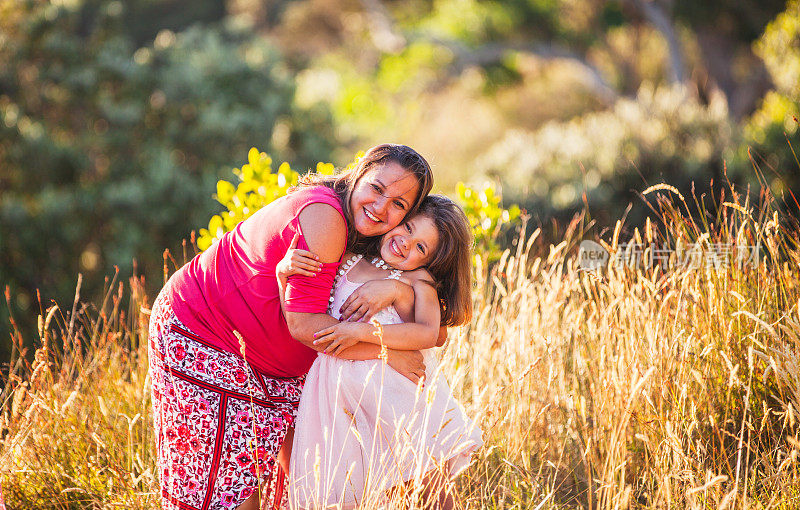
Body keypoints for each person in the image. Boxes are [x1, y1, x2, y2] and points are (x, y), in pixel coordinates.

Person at [147, 144, 434, 510]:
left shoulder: (386, 241)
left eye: (399, 204)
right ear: (359, 173)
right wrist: (385, 352)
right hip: (205, 335)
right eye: (377, 189)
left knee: (298, 482)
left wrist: (394, 287)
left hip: (271, 364)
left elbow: (437, 325)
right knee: (229, 490)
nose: (381, 208)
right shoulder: (328, 218)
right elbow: (304, 325)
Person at [276, 195, 483, 510]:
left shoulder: (416, 279)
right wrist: (282, 276)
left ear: (429, 262)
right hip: (337, 401)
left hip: (392, 397)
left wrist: (360, 331)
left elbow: (428, 333)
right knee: (350, 492)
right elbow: (301, 318)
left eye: (421, 248)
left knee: (424, 490)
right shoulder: (348, 259)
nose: (406, 243)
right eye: (409, 228)